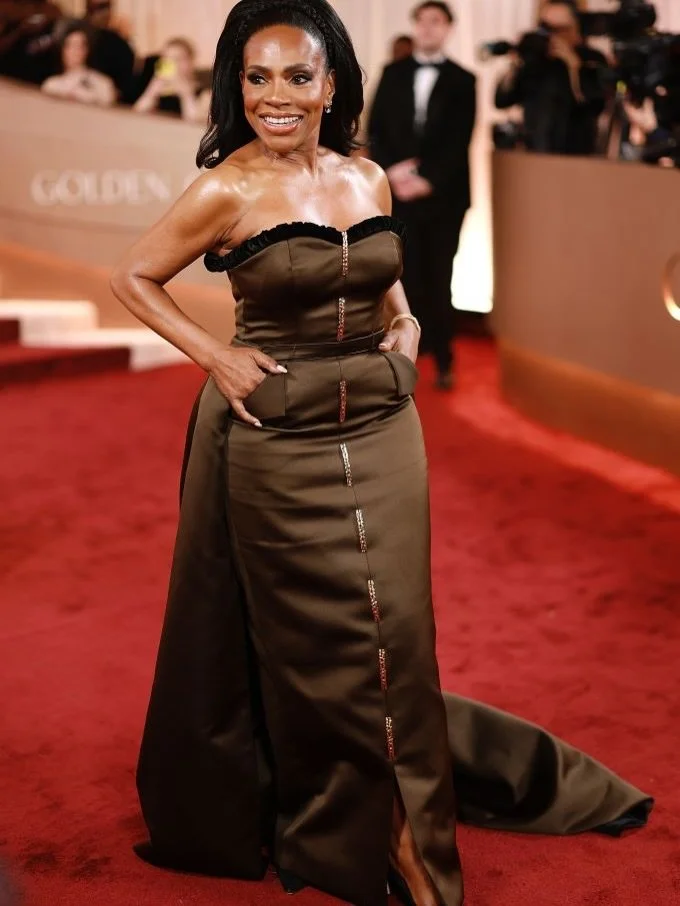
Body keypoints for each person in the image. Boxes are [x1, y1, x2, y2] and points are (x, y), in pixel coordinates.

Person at [111, 2, 651, 905]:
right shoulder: (225, 188)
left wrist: (405, 318)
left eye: (295, 76)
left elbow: (383, 268)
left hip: (384, 430)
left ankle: (405, 816)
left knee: (397, 632)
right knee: (319, 647)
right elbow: (132, 275)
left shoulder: (367, 175)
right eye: (255, 76)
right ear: (235, 86)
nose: (275, 97)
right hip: (274, 441)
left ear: (332, 84)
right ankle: (376, 833)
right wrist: (214, 354)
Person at [368, 1, 476, 391]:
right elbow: (375, 128)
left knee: (441, 276)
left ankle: (444, 358)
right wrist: (392, 173)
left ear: (448, 28)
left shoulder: (465, 80)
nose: (429, 28)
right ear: (415, 27)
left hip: (444, 197)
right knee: (401, 276)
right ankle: (403, 358)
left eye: (437, 22)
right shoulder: (392, 73)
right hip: (399, 194)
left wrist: (428, 179)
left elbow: (460, 140)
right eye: (423, 21)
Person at [495, 0, 608, 155]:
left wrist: (573, 65)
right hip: (534, 150)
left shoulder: (592, 58)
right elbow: (502, 100)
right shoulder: (535, 60)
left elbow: (595, 103)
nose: (552, 36)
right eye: (546, 28)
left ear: (575, 28)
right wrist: (515, 64)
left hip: (577, 153)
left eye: (559, 29)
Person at [134, 37, 210, 123]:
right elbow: (136, 117)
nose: (173, 65)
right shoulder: (159, 94)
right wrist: (151, 93)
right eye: (167, 60)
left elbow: (196, 124)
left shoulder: (205, 94)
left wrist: (186, 95)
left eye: (178, 59)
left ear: (191, 61)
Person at [41, 23, 115, 106]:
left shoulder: (102, 84)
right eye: (69, 46)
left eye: (78, 46)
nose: (74, 52)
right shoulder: (52, 85)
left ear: (86, 50)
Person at [0, 0, 62, 85]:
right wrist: (21, 30)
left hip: (42, 78)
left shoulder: (53, 10)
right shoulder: (6, 7)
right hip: (10, 76)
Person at [83, 0, 133, 102]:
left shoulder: (119, 45)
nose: (102, 13)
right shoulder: (77, 37)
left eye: (106, 7)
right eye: (97, 8)